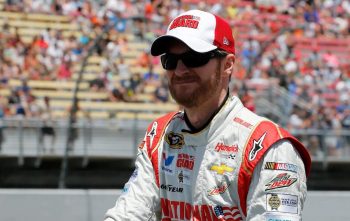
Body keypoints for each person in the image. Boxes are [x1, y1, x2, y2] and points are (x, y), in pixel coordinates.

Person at [105, 10, 311, 221]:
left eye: (194, 57)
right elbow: (127, 214)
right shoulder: (158, 135)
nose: (180, 69)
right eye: (170, 60)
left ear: (228, 65)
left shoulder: (270, 148)